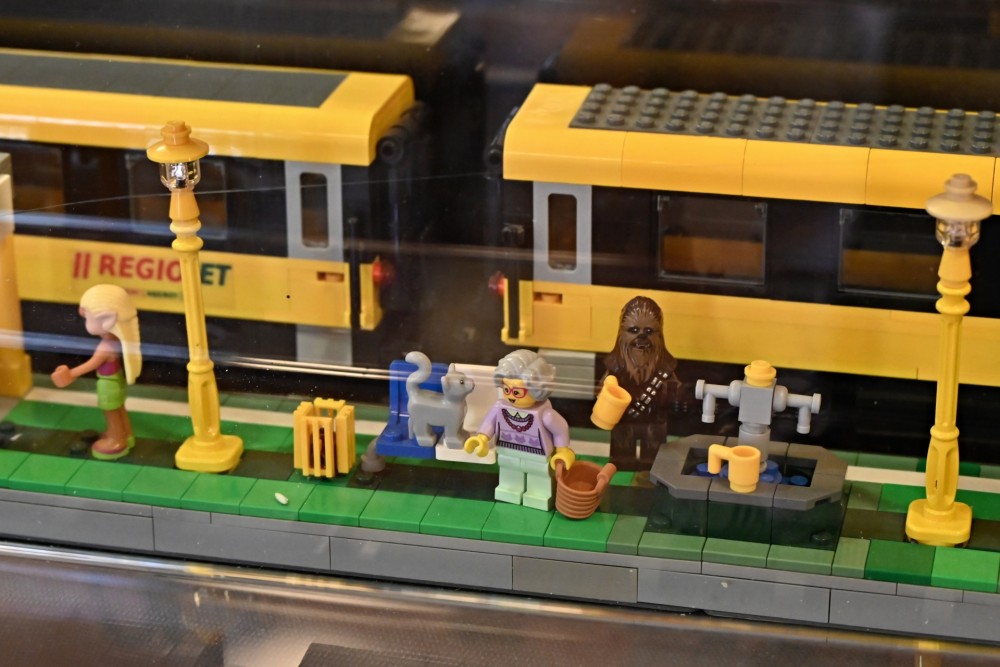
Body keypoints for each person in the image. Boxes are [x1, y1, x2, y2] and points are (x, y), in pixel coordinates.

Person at [465, 349, 574, 511]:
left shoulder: (545, 413)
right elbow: (489, 423)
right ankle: (509, 489)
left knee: (539, 476)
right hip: (507, 452)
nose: (511, 396)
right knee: (509, 472)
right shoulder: (499, 407)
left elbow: (560, 428)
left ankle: (539, 495)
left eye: (517, 392)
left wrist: (563, 450)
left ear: (536, 389)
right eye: (506, 389)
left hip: (537, 456)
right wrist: (481, 438)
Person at [51, 284, 142, 460]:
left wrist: (71, 374)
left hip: (108, 384)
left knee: (111, 412)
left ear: (107, 320)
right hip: (116, 381)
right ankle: (126, 435)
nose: (84, 318)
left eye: (87, 316)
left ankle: (117, 440)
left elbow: (91, 364)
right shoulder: (116, 341)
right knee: (119, 409)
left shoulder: (105, 347)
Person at [600, 296, 681, 471]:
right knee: (621, 462)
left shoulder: (665, 369)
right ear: (621, 333)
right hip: (624, 422)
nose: (641, 337)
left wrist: (673, 395)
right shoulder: (615, 367)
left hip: (654, 423)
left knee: (653, 464)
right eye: (634, 330)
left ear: (660, 334)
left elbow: (676, 394)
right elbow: (601, 391)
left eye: (649, 331)